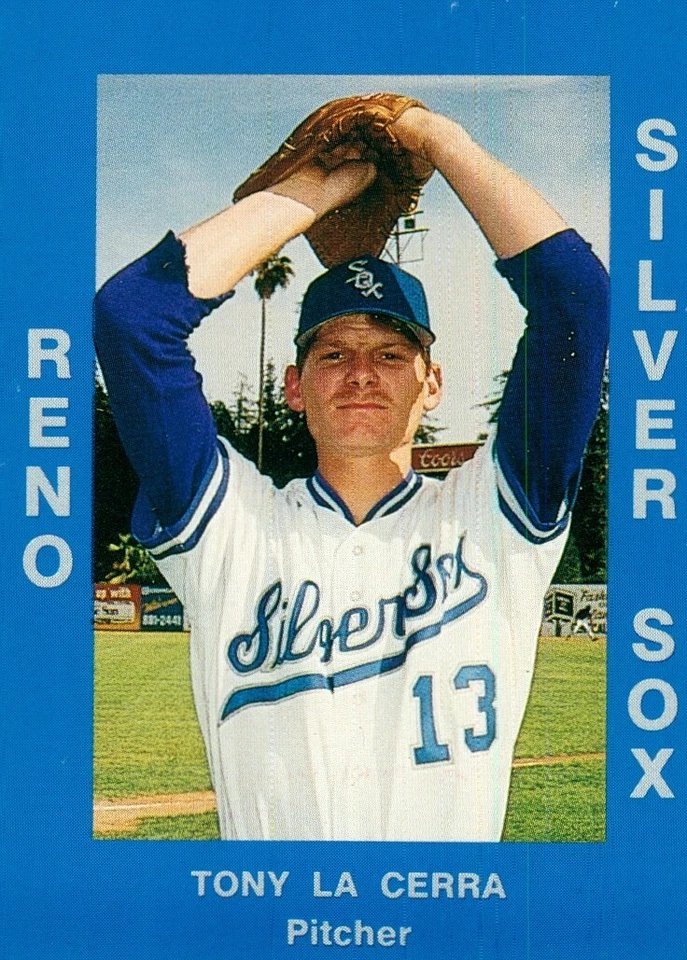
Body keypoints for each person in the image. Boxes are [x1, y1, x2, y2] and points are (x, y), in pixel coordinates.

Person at [94, 99, 608, 841]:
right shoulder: (231, 528)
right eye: (332, 353)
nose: (361, 373)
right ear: (293, 386)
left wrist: (434, 135)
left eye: (391, 354)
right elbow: (130, 320)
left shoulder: (496, 514)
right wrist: (323, 189)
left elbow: (577, 303)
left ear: (431, 384)